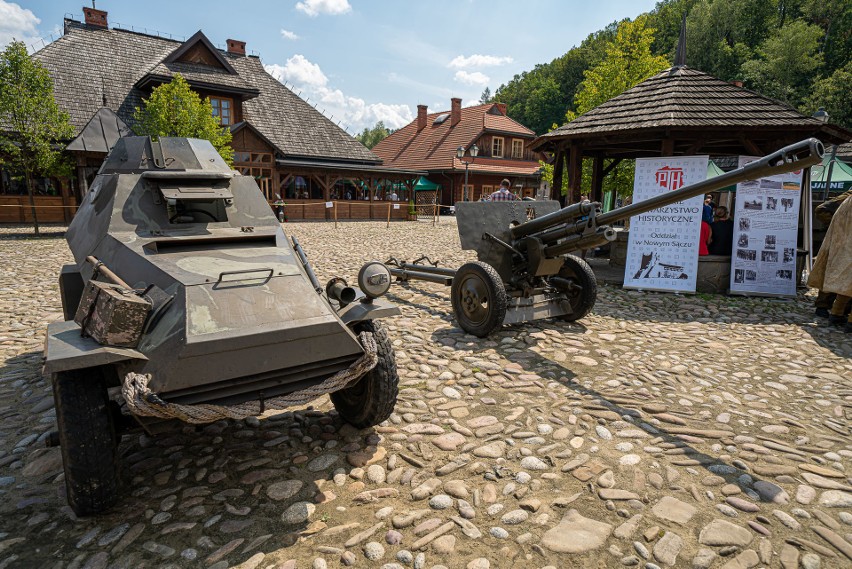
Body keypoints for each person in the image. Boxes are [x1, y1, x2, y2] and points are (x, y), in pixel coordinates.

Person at [808, 189, 852, 330]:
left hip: (841, 242)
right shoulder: (846, 198)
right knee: (842, 277)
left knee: (843, 277)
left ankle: (836, 314)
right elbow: (822, 210)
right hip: (843, 241)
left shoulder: (847, 199)